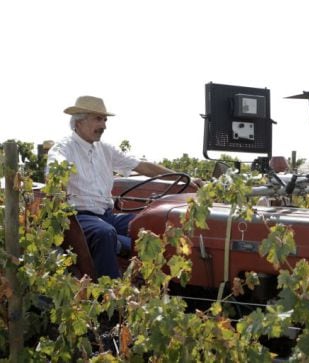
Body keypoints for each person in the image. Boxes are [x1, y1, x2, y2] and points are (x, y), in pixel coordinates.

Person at [47, 95, 198, 279]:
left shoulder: (105, 150)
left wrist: (186, 180)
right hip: (79, 218)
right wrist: (59, 184)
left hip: (106, 216)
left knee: (149, 225)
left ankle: (150, 280)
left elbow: (142, 166)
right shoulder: (63, 150)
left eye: (104, 119)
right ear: (78, 121)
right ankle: (108, 293)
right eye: (98, 119)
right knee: (105, 233)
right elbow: (55, 173)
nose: (104, 125)